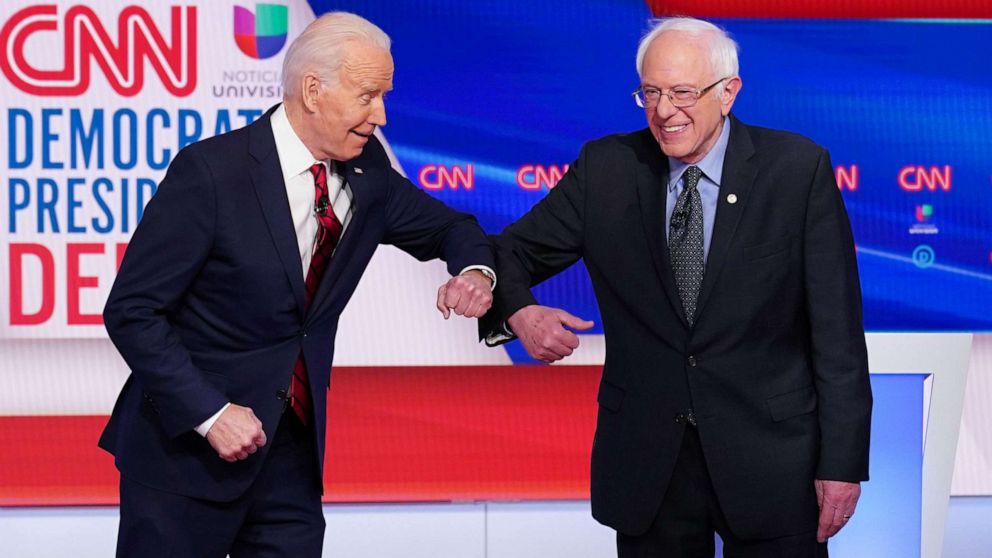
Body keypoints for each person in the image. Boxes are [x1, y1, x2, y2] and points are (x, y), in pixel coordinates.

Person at [100, 12, 495, 558]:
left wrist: (475, 271)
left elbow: (453, 227)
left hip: (289, 459)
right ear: (314, 90)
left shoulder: (369, 171)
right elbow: (133, 312)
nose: (380, 115)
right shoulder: (212, 173)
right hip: (184, 459)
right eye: (367, 96)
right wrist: (210, 414)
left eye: (385, 96)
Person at [482, 17, 871, 557]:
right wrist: (521, 312)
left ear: (728, 92)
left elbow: (838, 335)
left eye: (683, 93)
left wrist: (843, 463)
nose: (664, 111)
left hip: (773, 463)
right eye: (651, 93)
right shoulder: (608, 168)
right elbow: (508, 252)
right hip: (650, 468)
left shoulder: (796, 170)